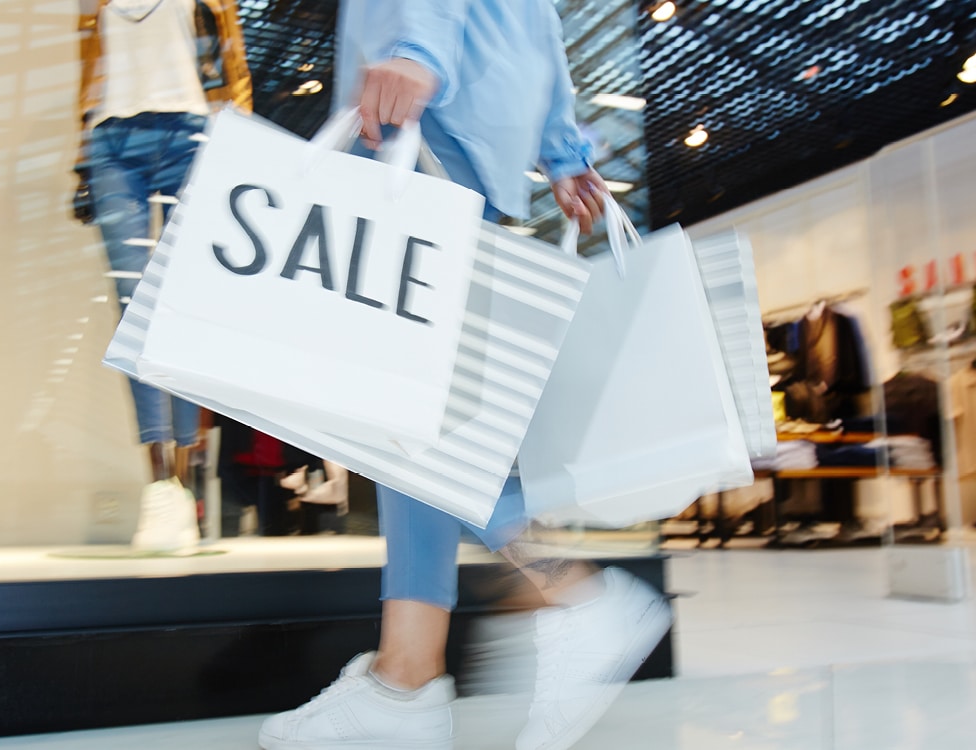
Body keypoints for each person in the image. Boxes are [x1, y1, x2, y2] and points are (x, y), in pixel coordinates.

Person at [257, 3, 670, 750]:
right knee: (411, 418)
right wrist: (563, 148)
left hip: (423, 132)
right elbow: (539, 22)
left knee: (407, 415)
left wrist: (417, 49)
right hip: (459, 140)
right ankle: (407, 673)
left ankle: (566, 595)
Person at [73, 0, 253, 550]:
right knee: (134, 308)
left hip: (190, 137)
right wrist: (80, 156)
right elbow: (90, 68)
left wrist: (242, 153)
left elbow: (232, 64)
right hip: (111, 144)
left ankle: (183, 480)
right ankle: (161, 484)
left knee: (181, 311)